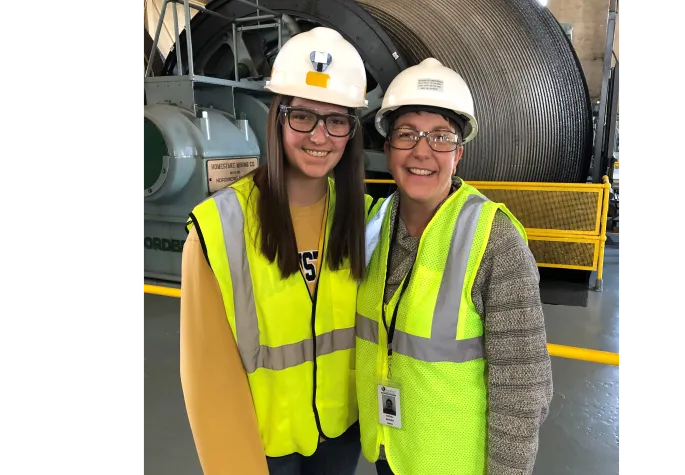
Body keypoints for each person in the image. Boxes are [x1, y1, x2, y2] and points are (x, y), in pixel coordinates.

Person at [180, 26, 374, 475]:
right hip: (265, 448)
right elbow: (207, 377)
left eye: (337, 119)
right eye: (303, 115)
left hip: (341, 438)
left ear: (351, 130)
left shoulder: (364, 220)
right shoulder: (219, 230)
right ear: (278, 117)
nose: (319, 136)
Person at [356, 58, 554, 475]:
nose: (422, 151)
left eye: (441, 138)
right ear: (387, 148)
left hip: (454, 464)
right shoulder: (374, 226)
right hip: (389, 453)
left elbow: (522, 389)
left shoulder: (494, 240)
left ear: (458, 154)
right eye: (407, 135)